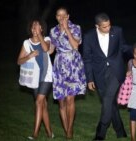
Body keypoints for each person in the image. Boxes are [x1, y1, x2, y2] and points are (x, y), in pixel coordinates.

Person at [83, 12, 132, 140]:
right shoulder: (89, 37)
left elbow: (123, 47)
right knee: (110, 103)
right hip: (99, 74)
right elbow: (87, 59)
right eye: (105, 27)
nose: (108, 28)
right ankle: (120, 132)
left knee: (107, 99)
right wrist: (90, 79)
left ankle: (101, 133)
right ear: (97, 26)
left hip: (116, 71)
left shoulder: (118, 31)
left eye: (109, 25)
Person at [49, 6, 86, 139]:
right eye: (59, 15)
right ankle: (66, 130)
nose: (61, 18)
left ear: (68, 16)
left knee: (70, 99)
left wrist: (67, 30)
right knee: (61, 101)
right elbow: (50, 50)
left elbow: (75, 46)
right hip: (59, 66)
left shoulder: (76, 28)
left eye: (64, 15)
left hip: (73, 65)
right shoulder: (53, 31)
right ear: (56, 17)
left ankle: (70, 130)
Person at [17, 18, 54, 140]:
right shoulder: (26, 43)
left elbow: (45, 49)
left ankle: (35, 134)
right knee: (42, 105)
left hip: (46, 76)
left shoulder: (47, 39)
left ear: (42, 28)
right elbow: (19, 61)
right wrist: (29, 55)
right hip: (34, 78)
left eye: (37, 26)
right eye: (33, 27)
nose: (34, 29)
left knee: (38, 102)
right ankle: (50, 133)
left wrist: (40, 36)